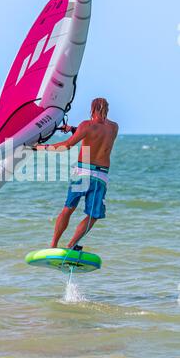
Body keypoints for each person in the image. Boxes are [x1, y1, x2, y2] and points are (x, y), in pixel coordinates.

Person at [33, 98, 118, 249]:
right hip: (101, 177)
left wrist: (40, 147)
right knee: (93, 215)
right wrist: (73, 129)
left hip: (82, 173)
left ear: (92, 109)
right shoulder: (113, 127)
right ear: (107, 110)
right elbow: (96, 134)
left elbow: (66, 145)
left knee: (68, 208)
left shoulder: (86, 125)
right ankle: (72, 244)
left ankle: (53, 245)